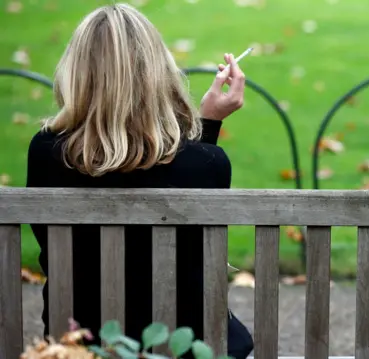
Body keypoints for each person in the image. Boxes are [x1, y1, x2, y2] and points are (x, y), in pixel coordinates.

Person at [26, 4, 254, 358]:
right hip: (184, 349)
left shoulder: (44, 153)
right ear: (157, 74)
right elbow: (183, 177)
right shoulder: (208, 165)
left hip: (80, 347)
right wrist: (208, 127)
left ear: (76, 74)